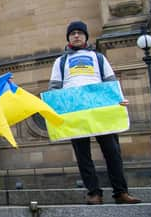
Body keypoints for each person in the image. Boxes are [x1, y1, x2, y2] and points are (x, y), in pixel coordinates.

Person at [48, 20, 141, 205]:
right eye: (72, 33)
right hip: (75, 112)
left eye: (80, 33)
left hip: (101, 110)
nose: (76, 35)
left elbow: (110, 81)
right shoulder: (60, 62)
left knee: (112, 152)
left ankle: (120, 192)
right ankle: (93, 193)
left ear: (85, 37)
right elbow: (54, 87)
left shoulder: (99, 58)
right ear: (68, 37)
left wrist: (119, 99)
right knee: (83, 155)